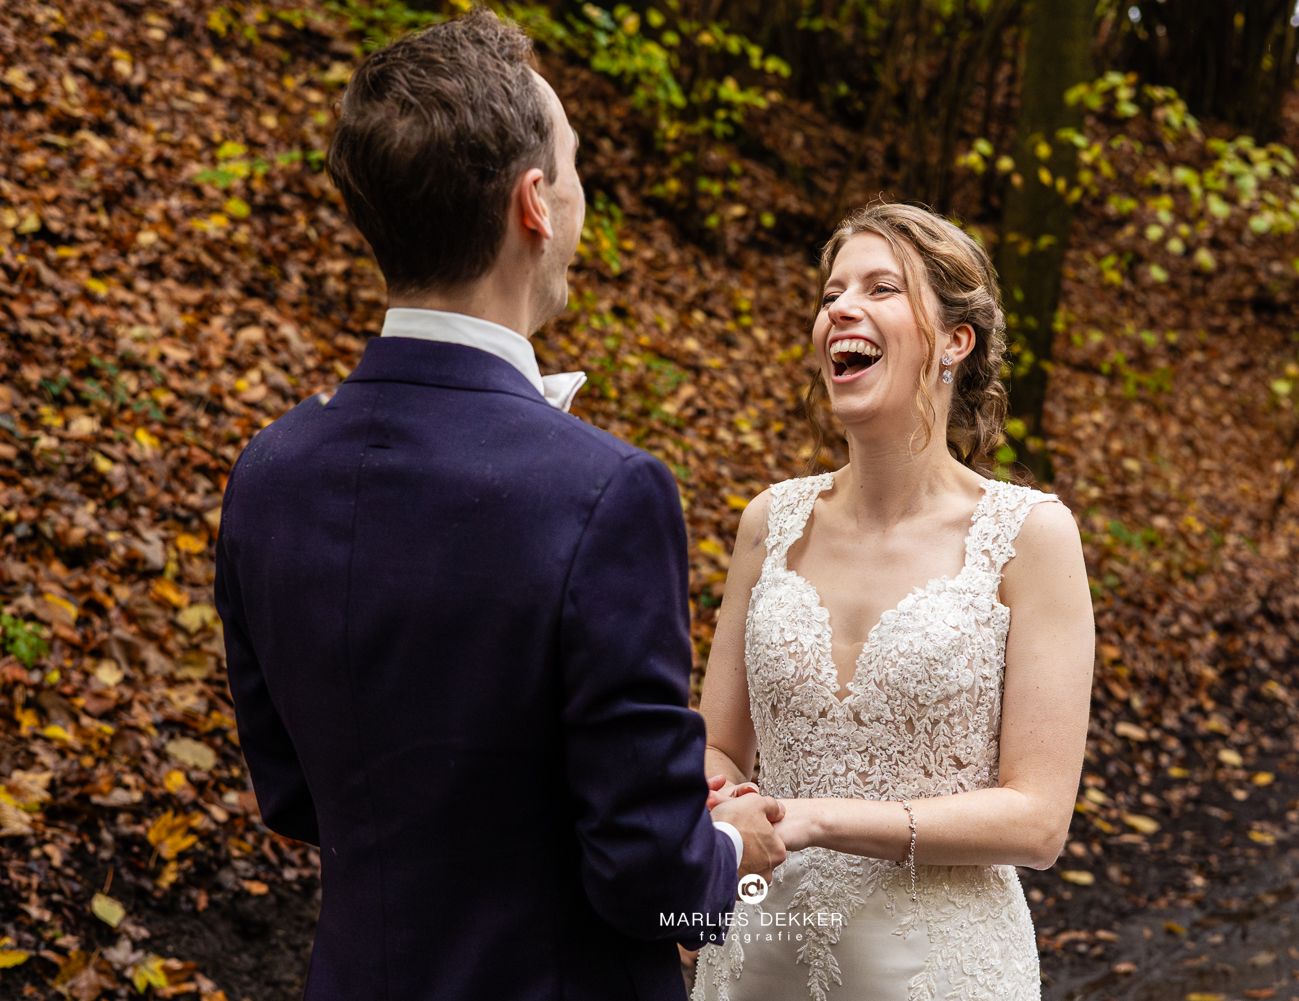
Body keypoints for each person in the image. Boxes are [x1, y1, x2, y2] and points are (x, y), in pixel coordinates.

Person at [213, 11, 784, 1000]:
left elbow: (298, 791)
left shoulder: (268, 471)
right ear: (533, 205)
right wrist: (730, 850)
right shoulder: (605, 492)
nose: (580, 196)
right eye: (572, 168)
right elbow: (652, 888)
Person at [691, 203, 1096, 1000]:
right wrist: (728, 799)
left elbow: (1037, 822)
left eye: (881, 288)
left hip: (938, 970)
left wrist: (819, 819)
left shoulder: (1031, 537)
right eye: (833, 291)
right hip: (759, 957)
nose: (841, 307)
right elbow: (717, 748)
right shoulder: (768, 523)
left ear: (955, 341)